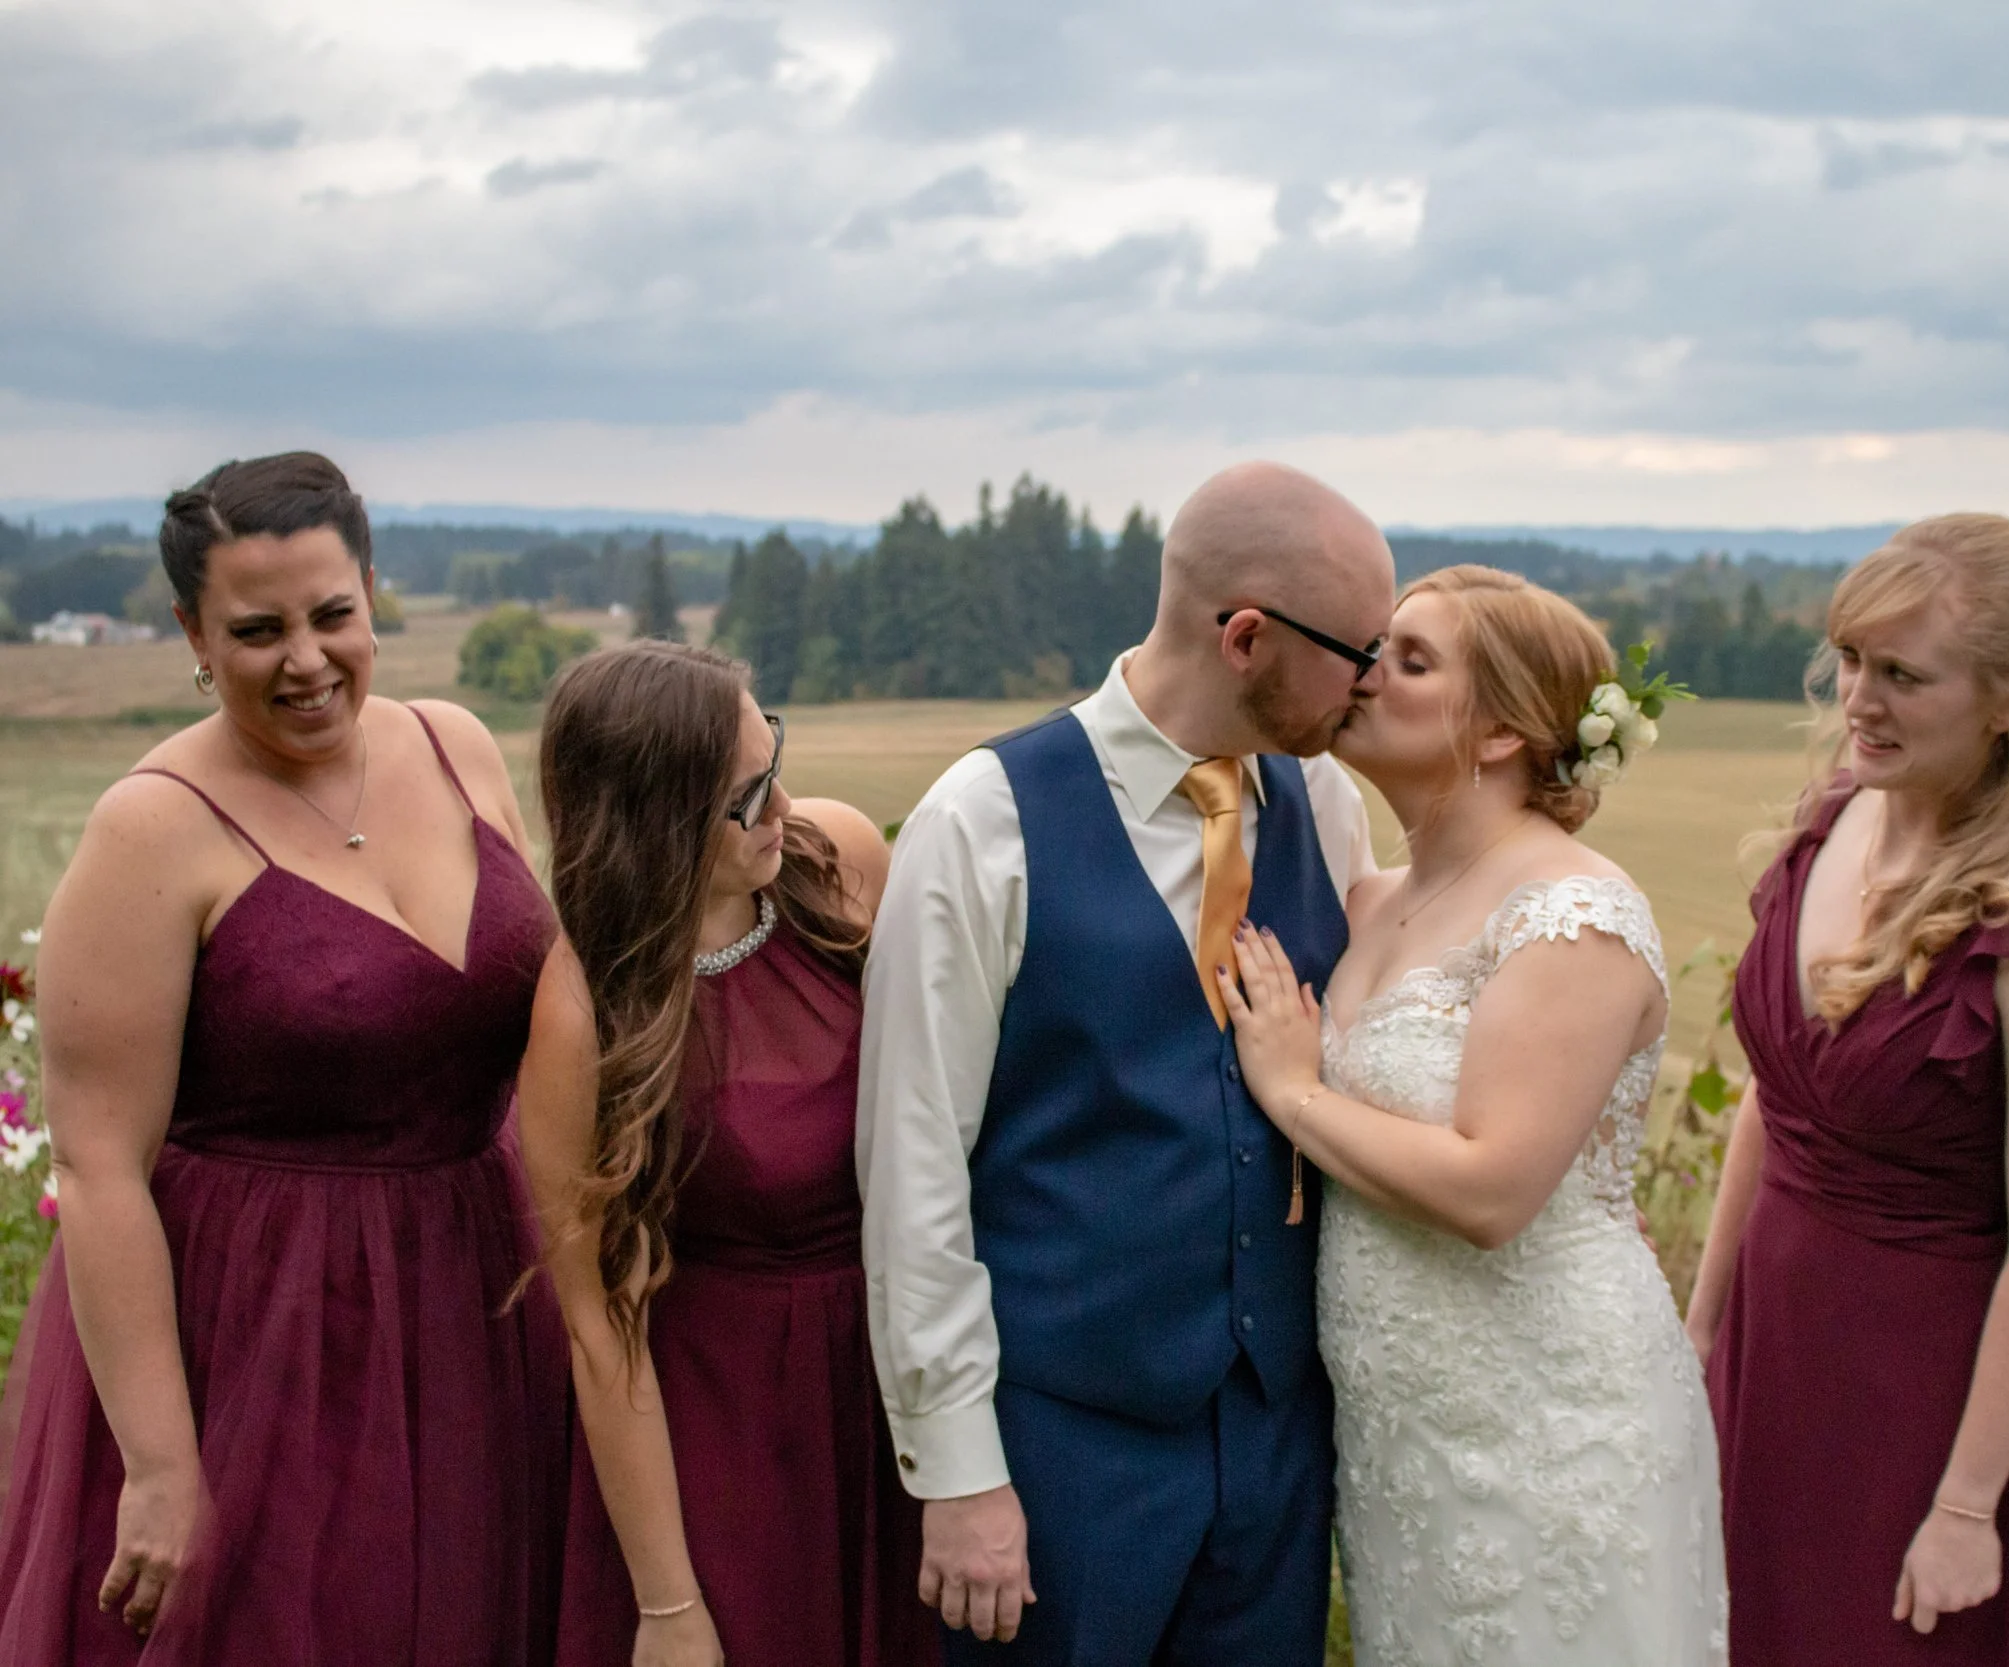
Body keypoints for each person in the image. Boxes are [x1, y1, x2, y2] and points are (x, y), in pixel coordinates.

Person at [0, 452, 568, 1662]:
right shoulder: (150, 826)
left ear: (372, 588)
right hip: (264, 1336)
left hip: (483, 1291)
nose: (306, 660)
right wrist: (158, 1463)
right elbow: (99, 1166)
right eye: (257, 630)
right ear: (191, 632)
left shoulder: (456, 744)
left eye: (333, 615)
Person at [859, 461, 1391, 1664]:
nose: (1369, 683)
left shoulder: (1328, 802)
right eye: (1356, 650)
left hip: (1272, 1442)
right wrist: (957, 1472)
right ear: (1247, 635)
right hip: (1061, 1451)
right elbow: (912, 1166)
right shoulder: (981, 820)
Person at [1222, 564, 1729, 1664]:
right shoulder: (1369, 901)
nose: (1365, 675)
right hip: (1405, 1435)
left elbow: (1492, 1187)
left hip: (1552, 1415)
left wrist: (1292, 1088)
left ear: (1500, 732)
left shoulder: (1571, 913)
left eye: (1409, 660)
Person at [1685, 514, 2009, 1666]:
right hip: (1768, 1353)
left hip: (1922, 1397)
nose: (1857, 701)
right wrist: (1701, 1322)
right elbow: (1768, 1110)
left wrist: (1968, 1503)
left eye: (1900, 675)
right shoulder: (1830, 818)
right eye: (1848, 661)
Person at [517, 640, 938, 1667]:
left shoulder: (835, 862)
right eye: (743, 797)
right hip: (733, 1429)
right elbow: (598, 1326)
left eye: (774, 758)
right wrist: (666, 1602)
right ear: (650, 824)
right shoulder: (586, 1011)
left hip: (899, 1385)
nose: (782, 805)